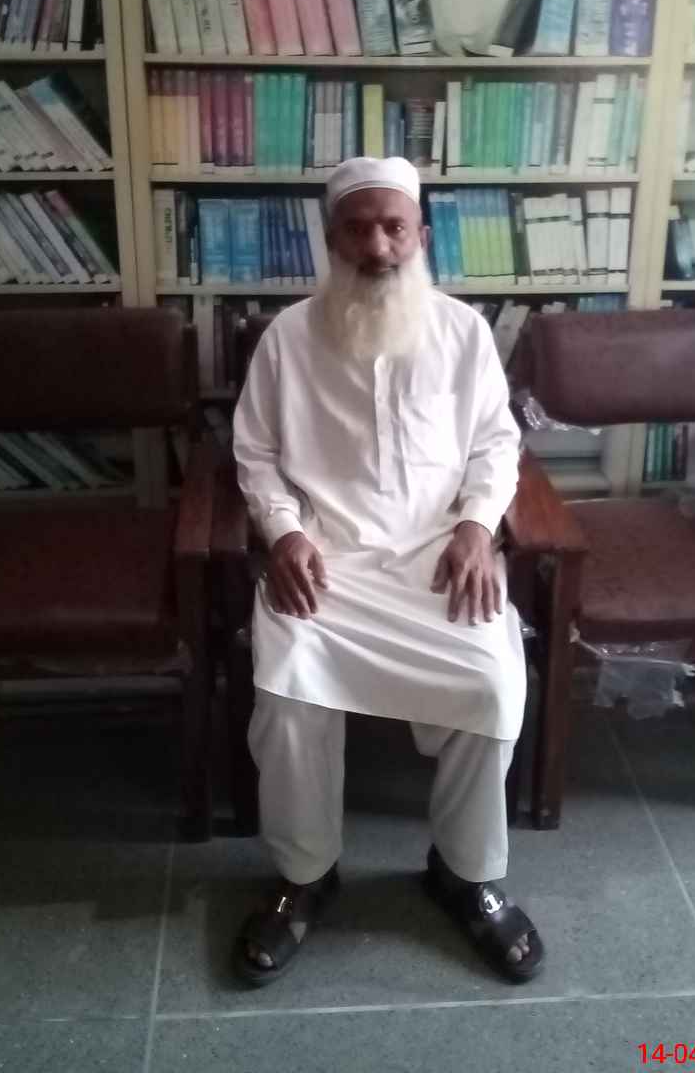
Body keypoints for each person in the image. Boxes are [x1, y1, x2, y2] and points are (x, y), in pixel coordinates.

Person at [231, 156, 542, 987]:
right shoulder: (287, 338)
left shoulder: (462, 332)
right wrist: (283, 533)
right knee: (290, 689)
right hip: (325, 560)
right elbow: (255, 454)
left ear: (420, 236)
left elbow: (496, 445)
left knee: (492, 686)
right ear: (331, 238)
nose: (377, 247)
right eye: (359, 229)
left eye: (394, 227)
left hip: (439, 558)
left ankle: (466, 875)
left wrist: (478, 527)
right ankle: (304, 877)